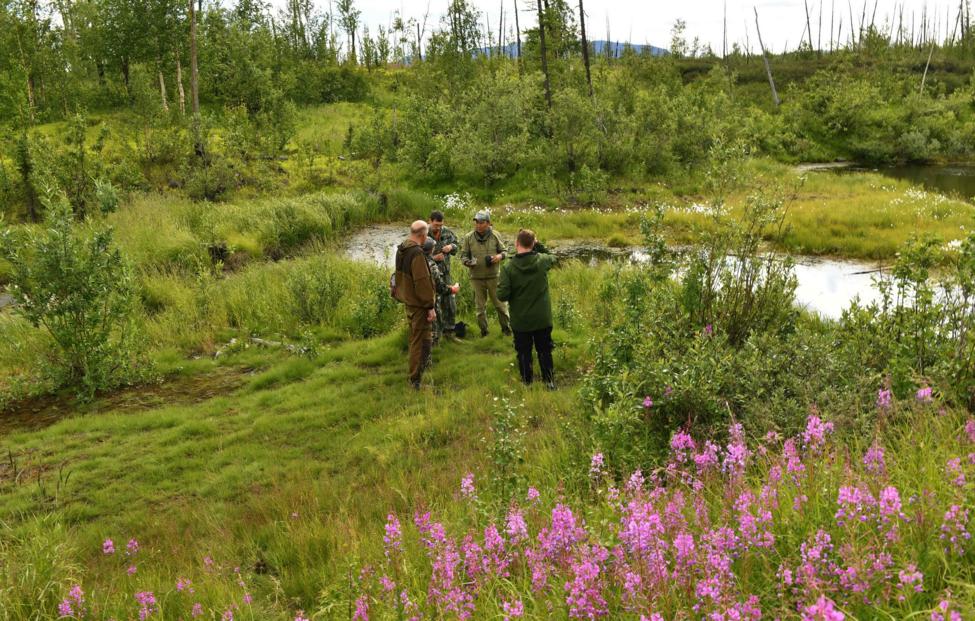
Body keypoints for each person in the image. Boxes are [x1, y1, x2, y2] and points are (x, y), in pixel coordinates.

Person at [497, 229, 557, 389]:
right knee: (545, 350)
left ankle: (527, 383)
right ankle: (549, 382)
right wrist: (539, 245)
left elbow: (502, 295)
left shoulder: (508, 268)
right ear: (533, 244)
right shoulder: (543, 261)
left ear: (517, 244)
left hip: (521, 320)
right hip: (542, 318)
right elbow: (554, 257)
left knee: (523, 352)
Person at [394, 221, 436, 389]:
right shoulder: (417, 253)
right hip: (419, 305)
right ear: (423, 235)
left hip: (409, 301)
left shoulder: (402, 249)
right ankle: (415, 382)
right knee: (420, 343)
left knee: (418, 341)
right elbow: (422, 282)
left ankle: (416, 378)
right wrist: (430, 306)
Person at [460, 210, 511, 337]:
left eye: (481, 222)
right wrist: (468, 262)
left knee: (501, 306)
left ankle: (506, 330)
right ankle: (484, 332)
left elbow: (505, 251)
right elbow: (463, 256)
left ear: (488, 223)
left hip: (494, 277)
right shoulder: (468, 237)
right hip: (476, 278)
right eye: (476, 222)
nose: (478, 225)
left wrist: (499, 257)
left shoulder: (495, 235)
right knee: (480, 309)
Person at [423, 237, 460, 350]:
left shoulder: (416, 261)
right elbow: (440, 287)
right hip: (430, 299)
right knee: (434, 322)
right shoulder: (431, 266)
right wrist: (452, 289)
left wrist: (451, 247)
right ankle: (433, 347)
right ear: (431, 249)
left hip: (417, 299)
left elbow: (456, 246)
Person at [429, 211, 460, 337]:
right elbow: (417, 257)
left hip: (446, 273)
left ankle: (450, 332)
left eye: (440, 225)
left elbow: (457, 244)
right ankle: (435, 335)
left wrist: (451, 247)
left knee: (449, 302)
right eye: (436, 225)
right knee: (434, 305)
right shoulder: (423, 234)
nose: (438, 227)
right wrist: (434, 258)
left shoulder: (447, 231)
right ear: (430, 221)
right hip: (430, 275)